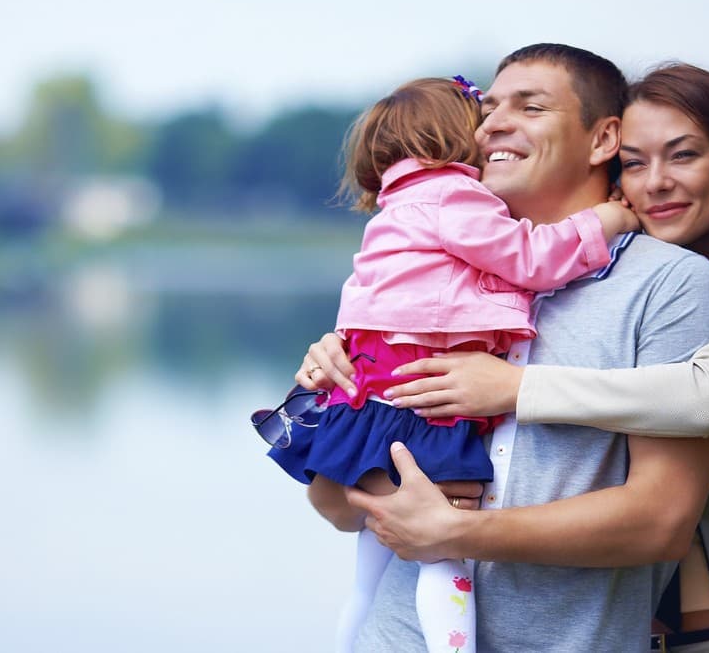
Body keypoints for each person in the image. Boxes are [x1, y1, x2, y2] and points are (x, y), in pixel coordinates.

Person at [350, 63, 709, 653]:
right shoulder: (525, 275)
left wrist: (516, 389)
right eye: (635, 163)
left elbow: (705, 398)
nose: (656, 183)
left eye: (684, 156)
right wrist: (337, 367)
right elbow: (344, 496)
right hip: (619, 622)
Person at [297, 44, 709, 652]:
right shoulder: (429, 270)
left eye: (530, 108)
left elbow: (659, 523)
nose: (493, 126)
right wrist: (338, 389)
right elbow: (332, 505)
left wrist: (452, 531)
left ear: (604, 139)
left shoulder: (672, 285)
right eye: (488, 110)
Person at [264, 75, 638, 652]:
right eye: (483, 119)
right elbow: (530, 258)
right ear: (456, 138)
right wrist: (606, 221)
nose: (492, 132)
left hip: (372, 395)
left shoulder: (394, 208)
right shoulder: (455, 195)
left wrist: (340, 342)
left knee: (370, 572)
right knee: (444, 550)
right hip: (424, 405)